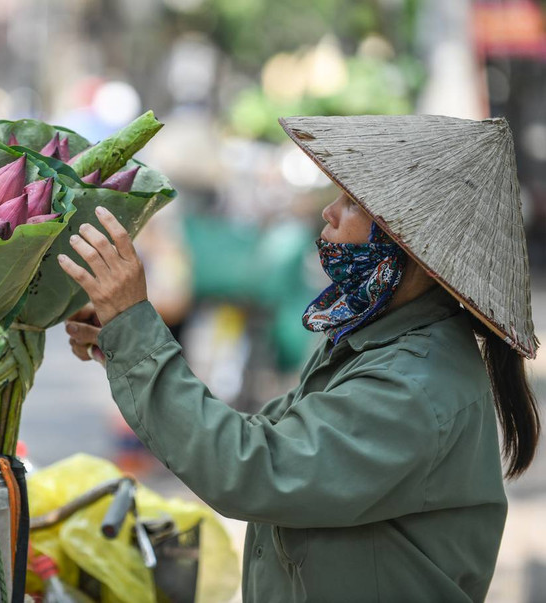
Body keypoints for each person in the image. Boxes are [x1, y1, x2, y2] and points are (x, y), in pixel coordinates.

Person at [58, 114, 541, 603]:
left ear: (407, 243)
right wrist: (121, 340)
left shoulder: (412, 382)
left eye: (350, 202)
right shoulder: (376, 343)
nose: (328, 213)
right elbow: (253, 435)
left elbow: (252, 470)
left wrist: (137, 334)